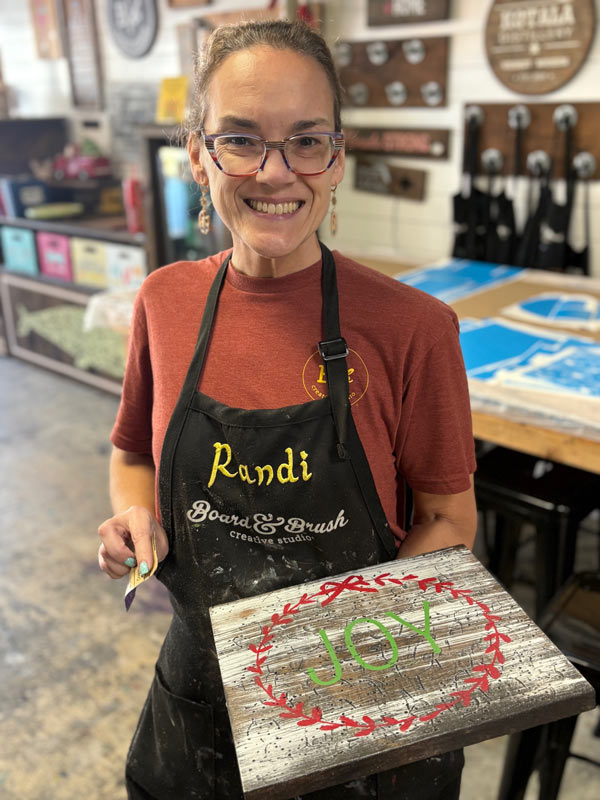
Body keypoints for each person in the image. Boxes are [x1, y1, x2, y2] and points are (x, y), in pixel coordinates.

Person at [97, 19, 477, 800]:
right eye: (240, 139)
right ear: (199, 152)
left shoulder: (414, 328)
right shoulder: (164, 302)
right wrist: (136, 521)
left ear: (336, 159)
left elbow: (448, 519)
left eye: (306, 141)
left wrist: (337, 672)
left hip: (362, 689)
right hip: (199, 693)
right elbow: (134, 451)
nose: (276, 174)